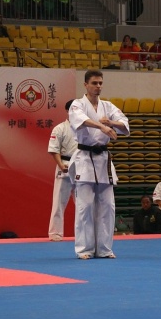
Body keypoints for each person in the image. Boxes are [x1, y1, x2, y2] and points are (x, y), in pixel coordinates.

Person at [68, 69, 130, 259]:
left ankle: (104, 249)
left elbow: (125, 124)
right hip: (85, 158)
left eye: (100, 83)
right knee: (85, 206)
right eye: (94, 83)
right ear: (85, 85)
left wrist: (111, 122)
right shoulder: (77, 105)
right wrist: (102, 126)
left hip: (103, 159)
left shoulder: (107, 106)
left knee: (108, 206)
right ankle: (84, 249)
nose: (98, 86)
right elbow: (81, 121)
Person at [47, 99, 78, 242]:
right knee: (59, 202)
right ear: (67, 111)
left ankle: (82, 234)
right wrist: (60, 164)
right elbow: (54, 149)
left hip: (81, 166)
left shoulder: (84, 128)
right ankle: (55, 234)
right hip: (64, 164)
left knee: (83, 204)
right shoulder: (60, 128)